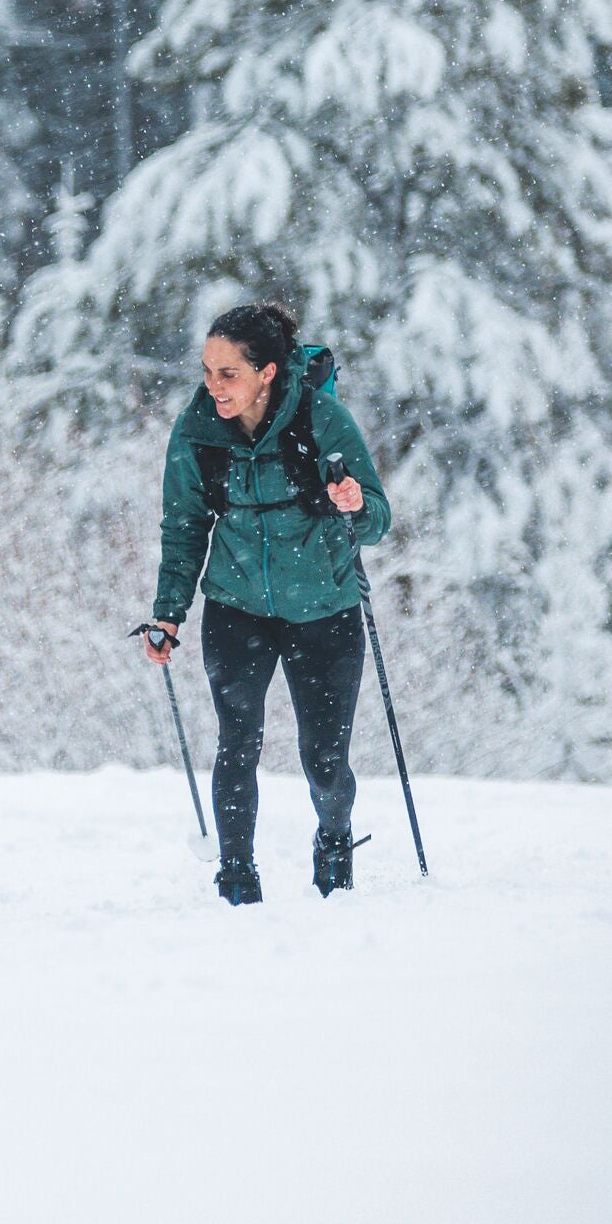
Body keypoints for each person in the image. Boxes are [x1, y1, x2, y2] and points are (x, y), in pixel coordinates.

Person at [144, 298, 390, 902]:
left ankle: (334, 839)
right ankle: (235, 873)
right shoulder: (197, 429)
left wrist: (356, 504)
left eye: (228, 373)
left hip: (324, 611)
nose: (213, 386)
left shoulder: (323, 419)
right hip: (237, 606)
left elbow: (379, 522)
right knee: (238, 741)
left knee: (325, 760)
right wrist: (168, 614)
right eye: (206, 370)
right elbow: (183, 526)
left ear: (267, 373)